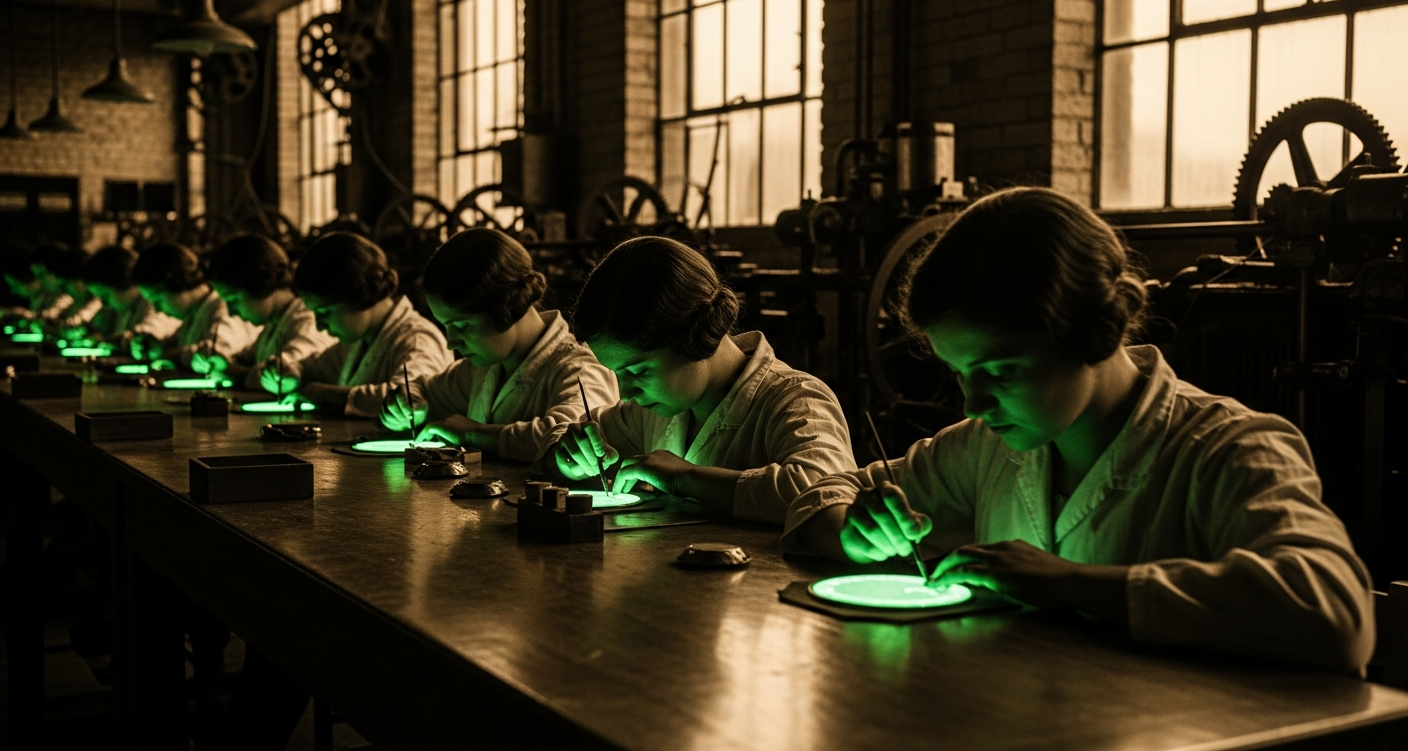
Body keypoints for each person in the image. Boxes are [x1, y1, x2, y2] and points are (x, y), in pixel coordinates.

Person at [784, 187, 1374, 673]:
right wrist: (853, 531)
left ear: (1096, 335)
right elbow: (819, 497)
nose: (974, 401)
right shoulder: (987, 448)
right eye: (960, 371)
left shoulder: (1226, 450)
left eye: (1001, 371)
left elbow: (1337, 614)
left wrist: (1071, 583)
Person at [538, 236, 855, 525]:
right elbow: (563, 441)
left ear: (694, 337)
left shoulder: (796, 402)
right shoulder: (650, 412)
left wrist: (685, 477)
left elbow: (825, 496)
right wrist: (568, 458)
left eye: (638, 371)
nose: (625, 392)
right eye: (615, 373)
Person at [378, 228, 617, 460]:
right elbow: (427, 391)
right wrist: (409, 402)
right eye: (446, 327)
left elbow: (570, 437)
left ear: (507, 308)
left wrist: (473, 433)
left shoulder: (580, 370)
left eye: (462, 326)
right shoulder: (483, 368)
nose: (451, 343)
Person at [266, 232, 453, 417]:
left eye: (325, 312)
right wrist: (293, 371)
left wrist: (328, 395)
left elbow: (413, 397)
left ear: (357, 295)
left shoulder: (418, 340)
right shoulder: (357, 342)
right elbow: (312, 368)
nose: (319, 326)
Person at [204, 235, 335, 391]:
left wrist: (230, 370)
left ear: (261, 284)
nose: (231, 312)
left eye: (234, 300)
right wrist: (221, 358)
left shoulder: (306, 323)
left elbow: (283, 373)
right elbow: (246, 359)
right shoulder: (276, 321)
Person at [132, 243, 259, 368]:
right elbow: (177, 345)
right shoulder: (195, 312)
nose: (157, 309)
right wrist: (158, 346)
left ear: (178, 282)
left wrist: (166, 354)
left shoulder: (222, 310)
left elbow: (216, 353)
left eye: (157, 299)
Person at [82, 246, 180, 344]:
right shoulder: (126, 307)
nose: (104, 303)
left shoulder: (155, 303)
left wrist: (112, 341)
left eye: (106, 296)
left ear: (126, 284)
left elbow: (147, 336)